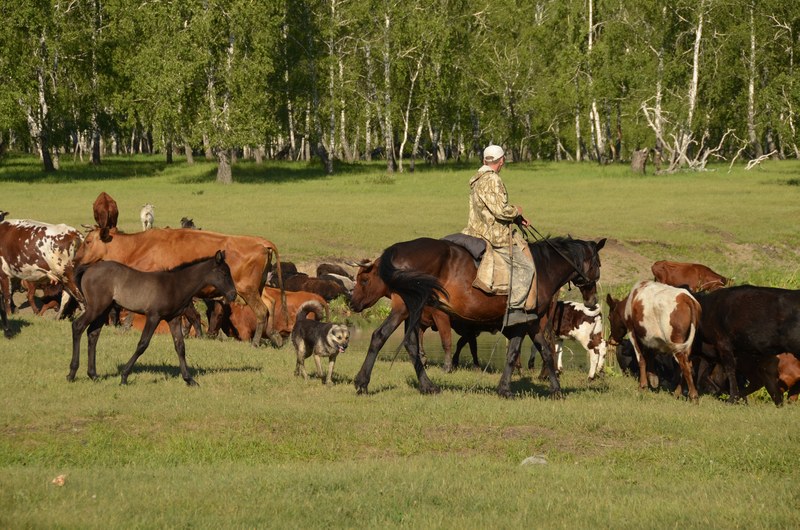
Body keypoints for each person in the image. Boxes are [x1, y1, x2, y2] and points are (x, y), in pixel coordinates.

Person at [462, 144, 536, 326]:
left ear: (485, 160)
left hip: (475, 230)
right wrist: (516, 211)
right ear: (501, 160)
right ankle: (514, 309)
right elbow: (500, 211)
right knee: (526, 268)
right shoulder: (493, 180)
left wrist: (518, 219)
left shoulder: (477, 179)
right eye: (503, 160)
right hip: (494, 235)